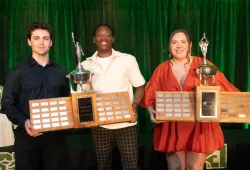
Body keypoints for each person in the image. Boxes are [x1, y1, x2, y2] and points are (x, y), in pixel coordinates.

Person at [141, 29, 239, 170]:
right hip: (171, 125)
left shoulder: (203, 64)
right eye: (174, 42)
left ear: (190, 45)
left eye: (183, 42)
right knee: (175, 167)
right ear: (169, 46)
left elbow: (225, 88)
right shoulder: (162, 69)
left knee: (194, 167)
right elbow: (149, 96)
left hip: (198, 125)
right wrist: (151, 112)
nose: (178, 46)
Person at [1, 22, 70, 170]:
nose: (41, 42)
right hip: (27, 138)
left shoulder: (60, 72)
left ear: (51, 42)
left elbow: (67, 101)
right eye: (36, 38)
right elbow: (7, 103)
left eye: (46, 38)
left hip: (55, 140)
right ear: (29, 41)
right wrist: (24, 121)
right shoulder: (17, 72)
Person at [81, 24, 145, 170]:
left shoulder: (128, 60)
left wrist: (134, 106)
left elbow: (140, 86)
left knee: (131, 166)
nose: (103, 37)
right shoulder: (85, 65)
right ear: (94, 39)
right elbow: (84, 95)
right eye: (99, 34)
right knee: (103, 166)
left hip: (127, 124)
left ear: (113, 38)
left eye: (107, 34)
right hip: (100, 125)